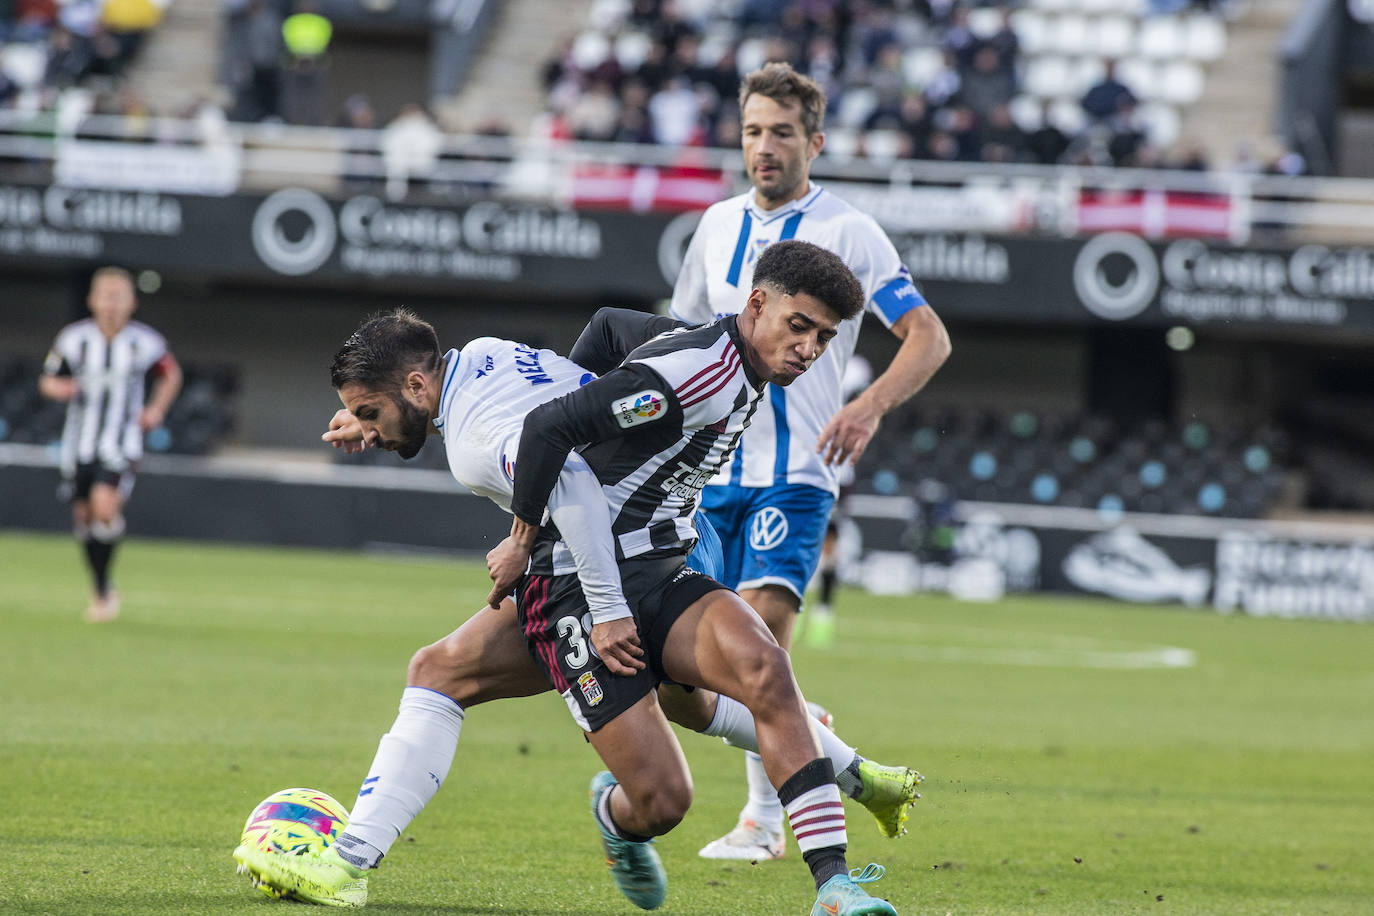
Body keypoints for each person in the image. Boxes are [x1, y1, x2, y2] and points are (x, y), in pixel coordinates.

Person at [237, 260, 913, 914]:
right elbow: (575, 397)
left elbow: (561, 449)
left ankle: (834, 886)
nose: (812, 348)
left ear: (418, 386)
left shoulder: (484, 433)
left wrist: (534, 546)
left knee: (762, 669)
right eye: (803, 328)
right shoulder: (486, 356)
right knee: (662, 796)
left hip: (633, 570)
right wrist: (386, 417)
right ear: (761, 308)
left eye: (822, 336)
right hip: (576, 588)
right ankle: (368, 859)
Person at [670, 62, 951, 861]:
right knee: (703, 666)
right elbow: (682, 338)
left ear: (815, 142)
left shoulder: (851, 233)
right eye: (754, 130)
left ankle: (766, 822)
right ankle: (818, 739)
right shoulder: (716, 225)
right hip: (709, 471)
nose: (765, 146)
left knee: (760, 635)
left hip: (797, 469)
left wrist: (865, 407)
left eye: (782, 133)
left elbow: (928, 336)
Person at [38, 266, 182, 622]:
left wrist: (155, 410)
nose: (112, 305)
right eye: (106, 296)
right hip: (78, 443)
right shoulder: (73, 339)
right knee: (84, 517)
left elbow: (170, 375)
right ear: (92, 301)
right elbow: (48, 380)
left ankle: (102, 594)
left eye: (119, 297)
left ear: (132, 302)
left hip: (121, 441)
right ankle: (102, 584)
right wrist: (61, 388)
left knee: (104, 506)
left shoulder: (144, 342)